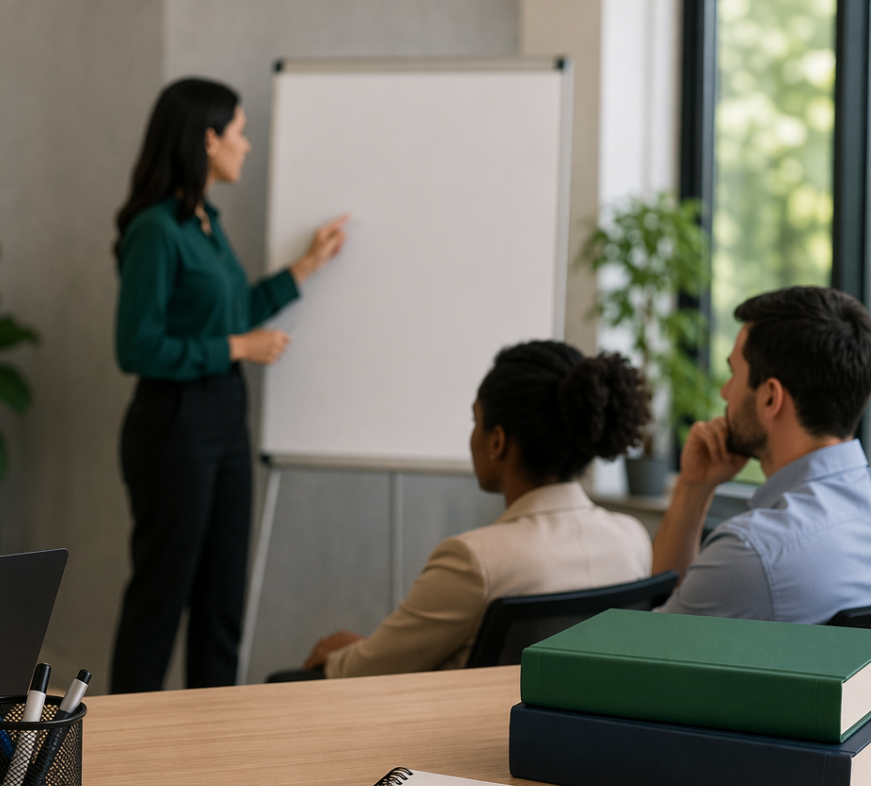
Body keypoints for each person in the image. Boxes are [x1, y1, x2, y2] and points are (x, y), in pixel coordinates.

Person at [111, 77, 347, 693]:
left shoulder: (205, 223)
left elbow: (233, 308)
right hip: (173, 427)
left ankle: (212, 741)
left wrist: (305, 269)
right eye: (240, 132)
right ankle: (123, 741)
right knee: (161, 601)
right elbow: (136, 346)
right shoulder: (156, 230)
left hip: (224, 423)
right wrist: (237, 349)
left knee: (223, 602)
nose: (247, 145)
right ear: (208, 139)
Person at [292, 341, 653, 678]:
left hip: (463, 740)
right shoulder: (632, 539)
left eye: (475, 421)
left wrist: (342, 653)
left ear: (497, 440)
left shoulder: (475, 561)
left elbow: (368, 671)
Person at [654, 286, 871, 621]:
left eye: (733, 374)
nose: (725, 393)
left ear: (770, 397)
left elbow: (646, 650)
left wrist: (688, 491)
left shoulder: (752, 552)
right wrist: (695, 485)